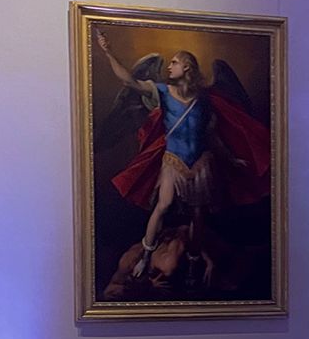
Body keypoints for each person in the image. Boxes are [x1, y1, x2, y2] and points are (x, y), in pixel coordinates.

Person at [94, 32, 272, 283]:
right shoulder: (163, 92)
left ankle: (193, 262)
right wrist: (109, 52)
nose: (169, 66)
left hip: (201, 164)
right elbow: (130, 81)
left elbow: (211, 136)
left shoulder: (204, 100)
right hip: (173, 161)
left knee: (198, 215)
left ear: (186, 66)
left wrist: (231, 159)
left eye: (174, 62)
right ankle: (146, 254)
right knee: (163, 205)